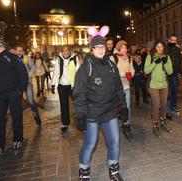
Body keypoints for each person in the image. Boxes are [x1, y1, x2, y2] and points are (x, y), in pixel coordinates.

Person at [74, 33, 128, 181]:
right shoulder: (86, 67)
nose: (100, 49)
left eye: (102, 46)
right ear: (91, 49)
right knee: (90, 144)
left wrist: (123, 106)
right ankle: (84, 173)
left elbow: (118, 88)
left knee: (115, 142)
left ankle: (114, 171)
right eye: (96, 47)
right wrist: (80, 115)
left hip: (110, 111)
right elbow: (79, 93)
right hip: (92, 113)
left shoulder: (111, 65)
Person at [0, 39, 28, 158]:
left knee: (16, 117)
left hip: (13, 93)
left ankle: (18, 139)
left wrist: (19, 90)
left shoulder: (12, 58)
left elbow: (23, 74)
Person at [144, 40, 173, 138]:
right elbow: (146, 70)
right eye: (158, 46)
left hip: (164, 85)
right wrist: (154, 63)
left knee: (164, 105)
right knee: (156, 105)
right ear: (154, 47)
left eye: (161, 46)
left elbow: (170, 72)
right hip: (153, 85)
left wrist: (165, 62)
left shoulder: (167, 57)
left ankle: (163, 123)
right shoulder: (150, 56)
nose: (160, 48)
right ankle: (155, 125)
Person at [51, 45, 80, 134]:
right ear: (62, 52)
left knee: (78, 103)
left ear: (69, 51)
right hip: (62, 85)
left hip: (72, 85)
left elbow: (78, 72)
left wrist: (79, 84)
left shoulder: (75, 59)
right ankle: (65, 123)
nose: (65, 53)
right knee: (64, 105)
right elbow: (56, 72)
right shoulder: (58, 59)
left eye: (67, 52)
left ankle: (80, 121)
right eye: (63, 52)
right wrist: (53, 84)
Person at [110, 40, 134, 141]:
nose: (124, 49)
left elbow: (132, 69)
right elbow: (111, 71)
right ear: (118, 48)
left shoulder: (128, 57)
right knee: (115, 108)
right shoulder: (113, 58)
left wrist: (130, 74)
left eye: (125, 48)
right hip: (115, 88)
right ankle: (113, 128)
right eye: (122, 48)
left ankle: (126, 125)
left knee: (127, 106)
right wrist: (123, 74)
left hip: (126, 86)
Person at [13, 44, 42, 125]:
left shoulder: (26, 57)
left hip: (27, 82)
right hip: (17, 84)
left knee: (31, 101)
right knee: (18, 104)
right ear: (15, 51)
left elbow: (33, 67)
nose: (21, 52)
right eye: (19, 51)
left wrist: (28, 75)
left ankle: (36, 115)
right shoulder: (12, 59)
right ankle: (17, 122)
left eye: (22, 51)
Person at [166, 35, 182, 119]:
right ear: (169, 40)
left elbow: (179, 61)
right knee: (167, 92)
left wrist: (180, 72)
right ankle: (167, 110)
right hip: (167, 73)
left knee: (175, 90)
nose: (173, 41)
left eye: (175, 40)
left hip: (175, 73)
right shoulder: (165, 49)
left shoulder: (177, 49)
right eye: (172, 40)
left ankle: (174, 106)